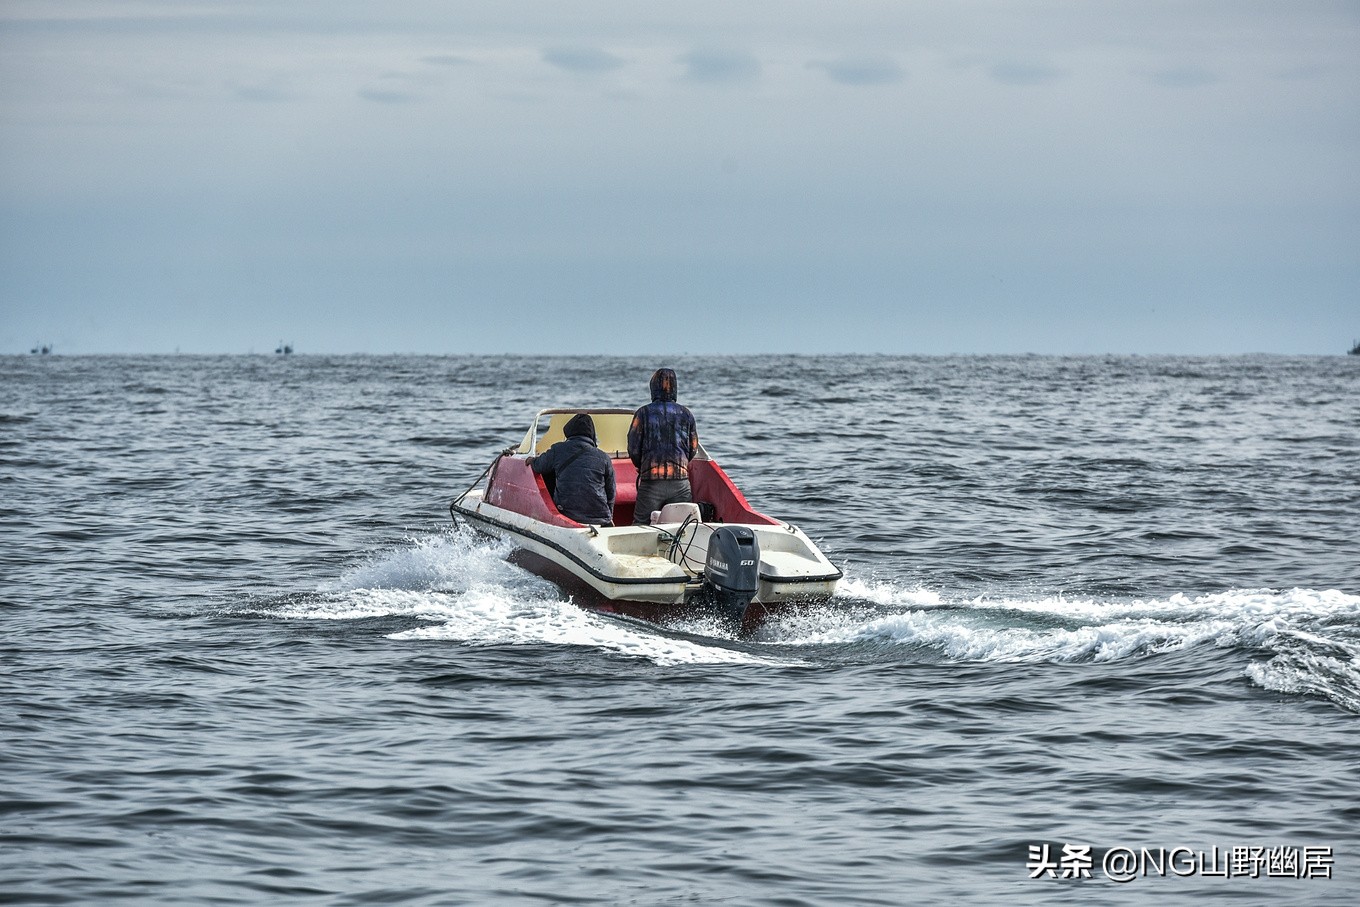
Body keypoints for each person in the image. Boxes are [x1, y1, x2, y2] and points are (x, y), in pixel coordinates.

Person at [627, 367, 699, 525]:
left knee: (641, 524)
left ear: (653, 388)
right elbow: (693, 447)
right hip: (681, 481)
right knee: (683, 527)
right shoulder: (686, 414)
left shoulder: (643, 413)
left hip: (651, 481)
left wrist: (642, 466)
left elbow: (633, 448)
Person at [529, 413, 616, 525]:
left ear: (568, 431)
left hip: (568, 514)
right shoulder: (604, 457)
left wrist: (531, 460)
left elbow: (539, 466)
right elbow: (611, 491)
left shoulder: (558, 449)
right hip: (600, 516)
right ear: (592, 434)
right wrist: (609, 516)